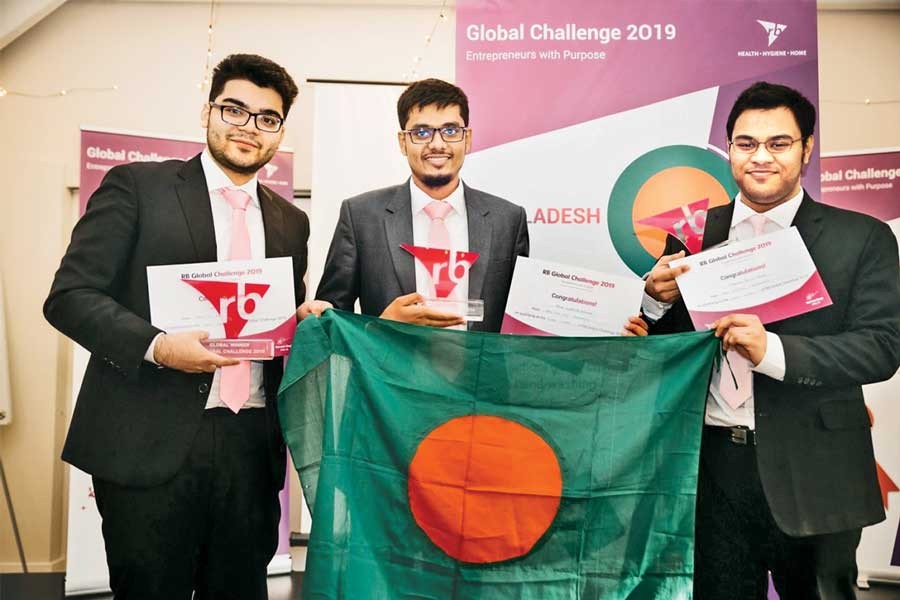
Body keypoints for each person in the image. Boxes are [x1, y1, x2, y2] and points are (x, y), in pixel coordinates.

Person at [44, 54, 307, 600]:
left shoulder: (291, 221)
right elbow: (69, 297)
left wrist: (304, 321)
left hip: (249, 449)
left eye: (267, 117)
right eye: (235, 109)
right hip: (149, 442)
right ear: (208, 111)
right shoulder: (137, 187)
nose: (248, 126)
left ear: (279, 131)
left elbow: (278, 322)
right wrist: (158, 347)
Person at [643, 81, 900, 599]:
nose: (760, 157)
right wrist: (656, 303)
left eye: (778, 143)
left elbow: (882, 346)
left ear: (807, 148)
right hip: (711, 469)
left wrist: (773, 352)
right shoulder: (692, 235)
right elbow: (666, 351)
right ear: (730, 149)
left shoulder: (863, 237)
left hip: (817, 471)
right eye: (746, 143)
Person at [302, 78, 646, 336]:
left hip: (479, 398)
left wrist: (604, 328)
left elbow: (526, 317)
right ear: (402, 142)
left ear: (466, 138)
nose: (437, 144)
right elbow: (329, 322)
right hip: (387, 399)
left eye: (450, 130)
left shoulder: (507, 219)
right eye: (421, 132)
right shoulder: (361, 215)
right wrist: (382, 325)